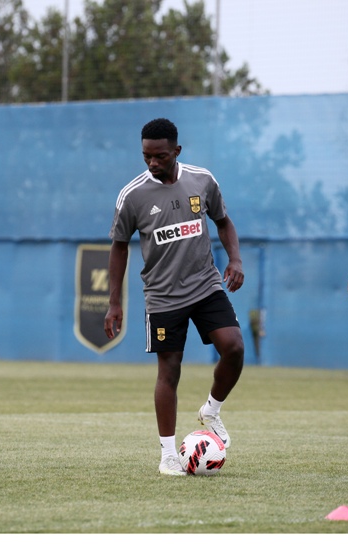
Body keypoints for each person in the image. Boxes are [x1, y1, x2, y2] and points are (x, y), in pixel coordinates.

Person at [104, 118, 245, 476]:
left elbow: (223, 222)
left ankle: (211, 410)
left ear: (177, 151)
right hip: (163, 296)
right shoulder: (132, 195)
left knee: (234, 347)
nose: (152, 163)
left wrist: (235, 259)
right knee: (169, 370)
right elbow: (119, 247)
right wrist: (114, 302)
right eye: (146, 156)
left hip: (205, 284)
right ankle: (168, 455)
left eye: (160, 156)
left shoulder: (202, 180)